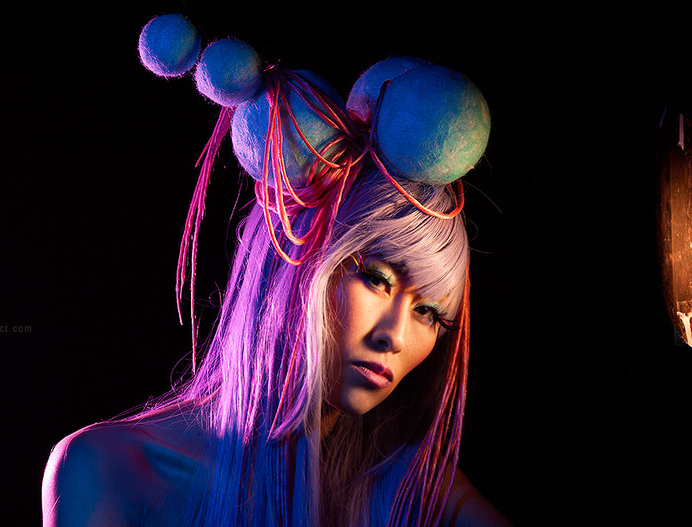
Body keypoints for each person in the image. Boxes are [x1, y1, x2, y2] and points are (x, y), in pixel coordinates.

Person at [42, 14, 511, 527]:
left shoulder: (420, 498)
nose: (395, 337)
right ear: (295, 261)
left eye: (429, 313)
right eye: (377, 279)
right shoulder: (111, 468)